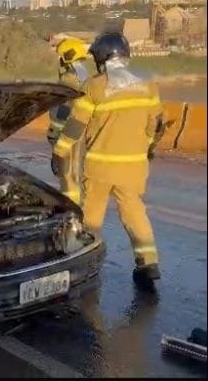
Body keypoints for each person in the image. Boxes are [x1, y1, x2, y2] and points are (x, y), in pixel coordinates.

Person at [52, 32, 165, 289]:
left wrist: (59, 152)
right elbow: (156, 126)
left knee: (91, 218)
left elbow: (75, 125)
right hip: (134, 167)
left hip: (101, 166)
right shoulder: (149, 86)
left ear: (102, 58)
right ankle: (148, 262)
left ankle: (84, 265)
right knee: (135, 213)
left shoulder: (94, 86)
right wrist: (147, 149)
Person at [47, 37, 89, 204]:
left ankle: (71, 212)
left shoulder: (68, 81)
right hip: (84, 133)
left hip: (69, 135)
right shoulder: (87, 79)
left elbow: (62, 110)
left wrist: (53, 133)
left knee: (68, 177)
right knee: (79, 176)